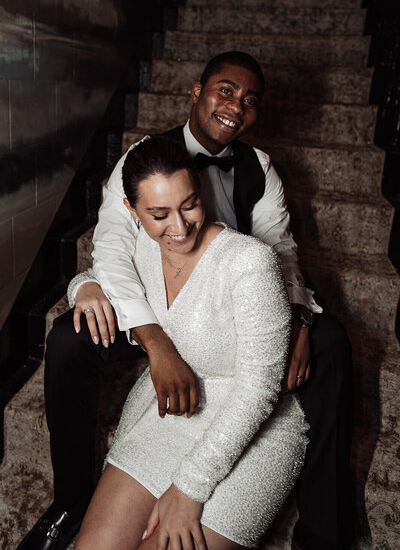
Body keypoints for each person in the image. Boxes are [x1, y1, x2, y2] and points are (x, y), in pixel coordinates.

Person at [17, 52, 353, 550]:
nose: (236, 107)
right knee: (68, 337)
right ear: (196, 90)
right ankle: (70, 498)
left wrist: (299, 316)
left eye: (250, 100)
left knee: (330, 345)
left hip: (235, 297)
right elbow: (111, 248)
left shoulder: (259, 169)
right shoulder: (143, 158)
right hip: (160, 307)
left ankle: (324, 526)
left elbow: (279, 253)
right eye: (225, 90)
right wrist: (151, 339)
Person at [74, 135, 309, 550]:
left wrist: (189, 489)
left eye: (189, 205)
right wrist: (85, 286)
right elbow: (105, 277)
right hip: (169, 415)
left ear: (200, 192)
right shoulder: (142, 250)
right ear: (132, 211)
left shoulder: (250, 262)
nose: (179, 228)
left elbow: (259, 392)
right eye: (159, 214)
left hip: (252, 429)